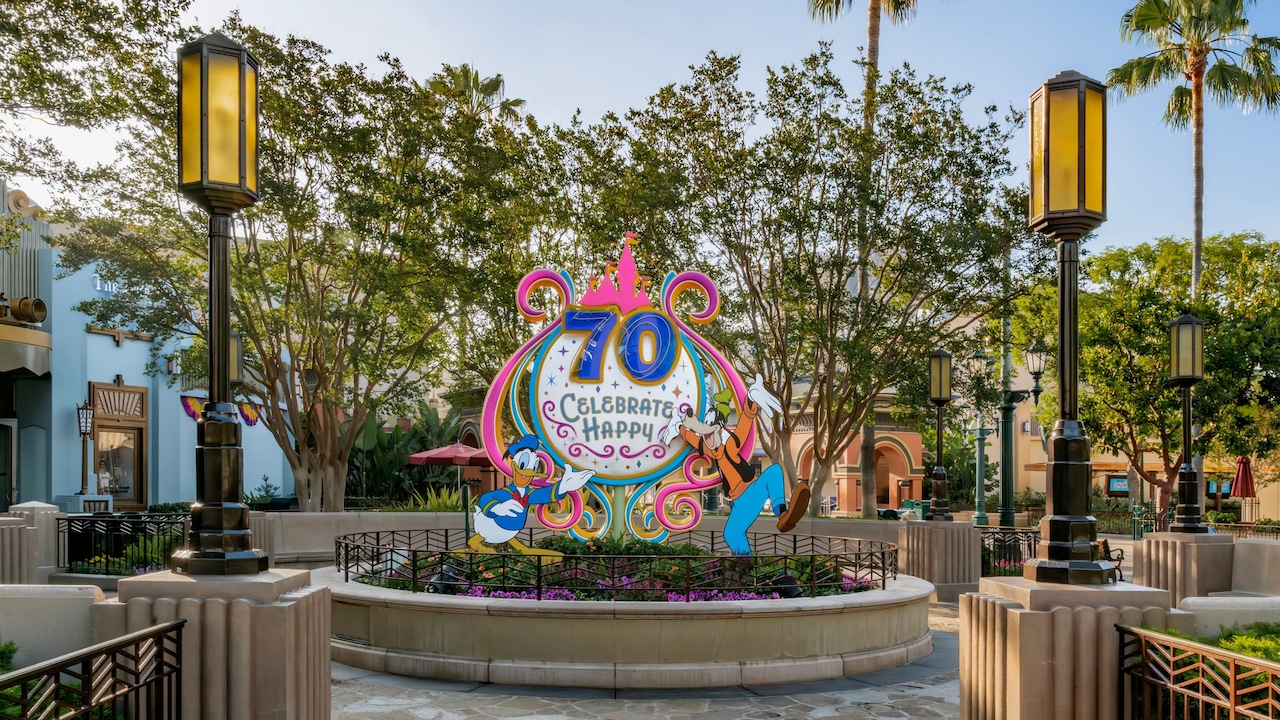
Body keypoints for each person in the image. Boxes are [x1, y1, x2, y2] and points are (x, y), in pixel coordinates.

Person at [659, 374, 809, 555]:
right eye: (704, 434)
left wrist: (751, 402)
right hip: (740, 503)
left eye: (711, 430)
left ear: (719, 428)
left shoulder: (729, 446)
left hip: (753, 490)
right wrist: (681, 428)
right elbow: (694, 438)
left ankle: (783, 515)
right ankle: (745, 566)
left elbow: (744, 424)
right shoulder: (709, 449)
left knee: (774, 471)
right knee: (731, 534)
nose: (707, 438)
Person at [470, 434, 595, 557]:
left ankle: (521, 549)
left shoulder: (529, 495)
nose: (527, 475)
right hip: (492, 525)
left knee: (510, 537)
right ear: (514, 466)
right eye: (523, 466)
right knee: (486, 534)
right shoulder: (506, 493)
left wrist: (564, 486)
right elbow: (487, 498)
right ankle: (474, 542)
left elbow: (545, 494)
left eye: (533, 468)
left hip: (511, 531)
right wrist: (497, 508)